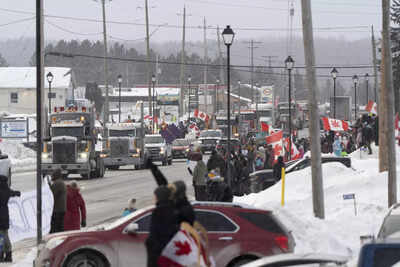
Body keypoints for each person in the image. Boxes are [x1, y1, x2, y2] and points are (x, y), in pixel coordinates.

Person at [145, 186, 178, 267]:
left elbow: (154, 235)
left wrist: (148, 243)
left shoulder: (158, 212)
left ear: (159, 197)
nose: (154, 198)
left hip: (160, 253)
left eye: (155, 196)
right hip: (173, 251)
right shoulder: (175, 210)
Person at [0, 175, 21, 262]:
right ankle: (7, 255)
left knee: (2, 236)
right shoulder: (7, 190)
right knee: (4, 235)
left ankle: (3, 255)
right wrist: (18, 193)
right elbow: (15, 193)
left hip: (0, 216)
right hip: (5, 214)